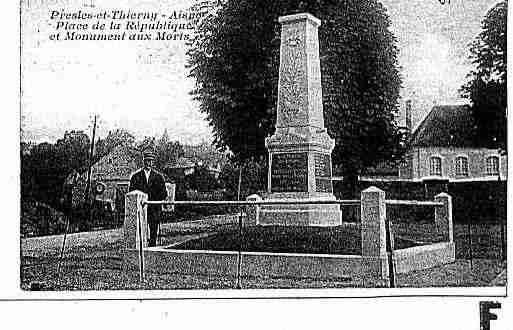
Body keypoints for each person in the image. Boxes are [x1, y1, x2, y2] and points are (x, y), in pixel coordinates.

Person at [129, 149, 167, 247]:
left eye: (150, 160)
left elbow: (164, 193)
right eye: (146, 160)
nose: (148, 163)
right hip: (141, 208)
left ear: (153, 162)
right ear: (143, 161)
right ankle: (141, 247)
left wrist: (155, 200)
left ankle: (152, 247)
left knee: (153, 230)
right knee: (140, 229)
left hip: (154, 208)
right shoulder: (136, 176)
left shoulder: (159, 177)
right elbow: (132, 193)